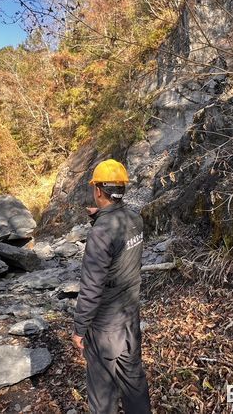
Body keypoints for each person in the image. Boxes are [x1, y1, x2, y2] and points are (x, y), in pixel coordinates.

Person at [72, 159, 152, 414]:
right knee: (133, 382)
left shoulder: (102, 233)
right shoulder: (135, 219)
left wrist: (79, 328)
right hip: (130, 317)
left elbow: (91, 288)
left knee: (102, 394)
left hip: (106, 328)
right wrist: (101, 218)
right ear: (122, 190)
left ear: (97, 190)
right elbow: (119, 247)